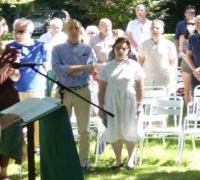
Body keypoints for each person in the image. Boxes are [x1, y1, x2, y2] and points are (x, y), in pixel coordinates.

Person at [51, 19, 97, 172]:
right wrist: (81, 67)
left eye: (76, 28)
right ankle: (63, 162)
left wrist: (71, 69)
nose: (73, 30)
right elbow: (58, 69)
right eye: (70, 28)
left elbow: (90, 69)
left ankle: (83, 162)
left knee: (84, 130)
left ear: (80, 30)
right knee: (62, 129)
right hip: (63, 92)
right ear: (65, 30)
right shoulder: (57, 49)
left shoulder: (87, 49)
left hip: (83, 90)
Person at [97, 37, 145, 170]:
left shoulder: (134, 65)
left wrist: (139, 104)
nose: (121, 51)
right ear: (114, 49)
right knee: (114, 130)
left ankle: (131, 160)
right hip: (111, 102)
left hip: (129, 101)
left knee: (130, 129)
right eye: (118, 48)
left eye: (124, 48)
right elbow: (101, 88)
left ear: (128, 50)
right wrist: (101, 106)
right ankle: (118, 160)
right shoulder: (107, 67)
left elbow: (140, 86)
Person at [6, 19, 48, 101]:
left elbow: (45, 68)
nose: (17, 34)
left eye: (21, 32)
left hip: (36, 89)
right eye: (15, 31)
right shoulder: (8, 47)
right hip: (15, 90)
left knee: (37, 113)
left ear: (30, 32)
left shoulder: (40, 46)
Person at [0, 46, 21, 180]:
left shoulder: (11, 52)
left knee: (8, 137)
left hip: (9, 97)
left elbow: (16, 76)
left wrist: (13, 73)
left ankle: (4, 174)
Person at [138, 20, 177, 91]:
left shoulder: (169, 45)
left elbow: (173, 63)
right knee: (147, 101)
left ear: (162, 30)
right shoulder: (143, 45)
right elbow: (140, 62)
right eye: (152, 28)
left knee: (163, 101)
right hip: (148, 80)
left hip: (164, 80)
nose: (154, 30)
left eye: (157, 28)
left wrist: (169, 74)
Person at [177, 17, 195, 103]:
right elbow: (181, 52)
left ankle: (197, 110)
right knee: (187, 90)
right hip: (186, 65)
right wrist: (189, 62)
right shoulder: (182, 37)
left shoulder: (199, 36)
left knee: (195, 90)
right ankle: (188, 111)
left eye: (192, 24)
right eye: (189, 24)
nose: (190, 26)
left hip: (197, 65)